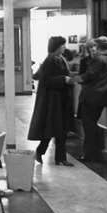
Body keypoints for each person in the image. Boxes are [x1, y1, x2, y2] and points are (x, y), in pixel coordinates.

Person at [28, 36, 76, 166]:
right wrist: (63, 79)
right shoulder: (50, 61)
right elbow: (47, 81)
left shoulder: (60, 59)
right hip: (52, 102)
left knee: (60, 129)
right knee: (54, 129)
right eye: (62, 45)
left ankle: (60, 158)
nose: (64, 48)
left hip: (60, 100)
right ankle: (43, 152)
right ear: (57, 47)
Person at [74, 36, 107, 162]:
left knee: (89, 126)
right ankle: (97, 152)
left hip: (91, 96)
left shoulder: (99, 59)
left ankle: (91, 154)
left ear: (98, 46)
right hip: (103, 97)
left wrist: (74, 80)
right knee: (92, 124)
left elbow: (88, 76)